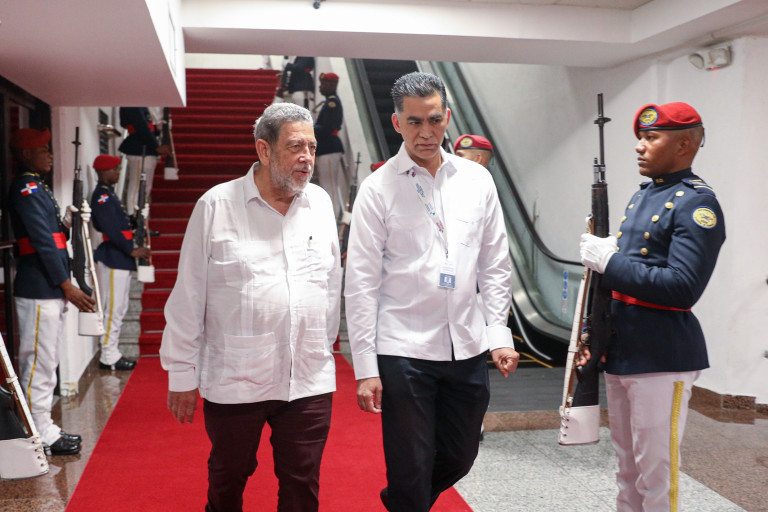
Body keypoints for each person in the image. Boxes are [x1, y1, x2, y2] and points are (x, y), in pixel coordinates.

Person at [344, 72, 519, 512]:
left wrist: (498, 334)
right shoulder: (377, 189)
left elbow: (495, 262)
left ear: (448, 117)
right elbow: (361, 281)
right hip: (403, 348)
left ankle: (404, 500)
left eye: (435, 120)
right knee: (411, 464)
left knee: (460, 456)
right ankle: (409, 497)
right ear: (396, 123)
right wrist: (365, 366)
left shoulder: (476, 181)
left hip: (466, 344)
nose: (426, 132)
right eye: (415, 122)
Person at [159, 102, 342, 512]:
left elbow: (332, 284)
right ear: (264, 150)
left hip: (308, 378)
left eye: (312, 148)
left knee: (302, 483)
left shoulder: (320, 203)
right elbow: (189, 294)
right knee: (229, 477)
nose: (307, 158)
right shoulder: (216, 205)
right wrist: (182, 373)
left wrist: (323, 344)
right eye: (295, 147)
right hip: (237, 378)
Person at [578, 102, 725, 512]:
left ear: (684, 145)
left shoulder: (696, 204)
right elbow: (619, 282)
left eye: (651, 137)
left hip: (663, 353)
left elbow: (682, 287)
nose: (639, 146)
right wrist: (594, 330)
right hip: (624, 348)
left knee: (657, 475)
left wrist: (610, 262)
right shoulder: (644, 195)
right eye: (640, 138)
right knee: (627, 469)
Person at [7, 127, 96, 456]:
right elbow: (42, 242)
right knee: (37, 364)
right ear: (26, 154)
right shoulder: (27, 188)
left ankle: (44, 425)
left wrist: (68, 223)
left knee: (47, 360)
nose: (50, 154)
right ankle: (37, 431)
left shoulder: (37, 186)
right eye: (43, 149)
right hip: (39, 286)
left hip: (48, 286)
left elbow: (53, 236)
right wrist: (66, 285)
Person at [90, 154, 151, 371]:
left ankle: (112, 351)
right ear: (103, 172)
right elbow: (111, 227)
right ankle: (108, 355)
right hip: (114, 257)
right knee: (113, 309)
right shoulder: (102, 196)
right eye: (114, 169)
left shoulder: (109, 194)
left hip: (119, 258)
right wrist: (130, 249)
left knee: (120, 308)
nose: (117, 172)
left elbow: (120, 224)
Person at [117, 106, 169, 215]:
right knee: (136, 186)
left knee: (145, 188)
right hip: (139, 149)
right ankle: (133, 216)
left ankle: (141, 217)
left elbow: (147, 125)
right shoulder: (133, 103)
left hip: (146, 149)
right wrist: (156, 146)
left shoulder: (140, 104)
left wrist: (157, 129)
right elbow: (141, 125)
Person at [314, 72, 346, 219]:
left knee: (330, 187)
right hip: (326, 148)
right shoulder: (329, 103)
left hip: (329, 148)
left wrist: (309, 128)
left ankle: (333, 220)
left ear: (332, 85)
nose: (320, 87)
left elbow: (327, 128)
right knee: (327, 185)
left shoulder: (332, 104)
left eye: (323, 83)